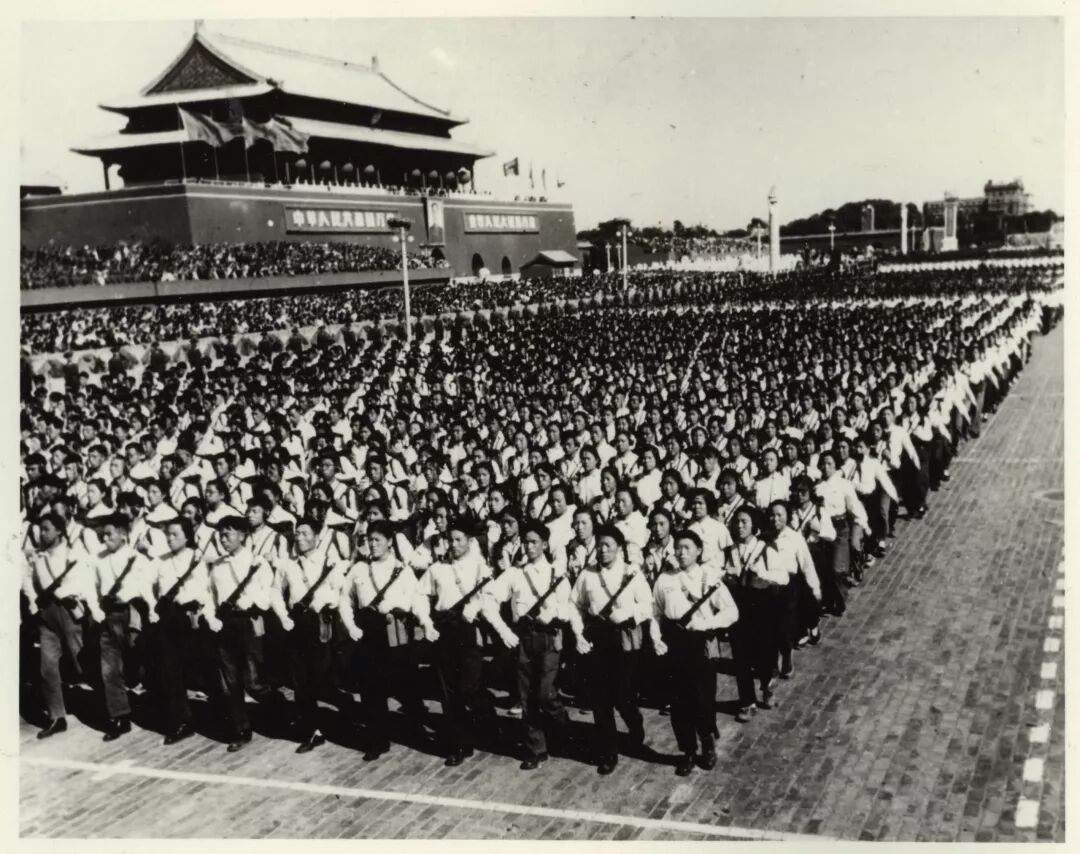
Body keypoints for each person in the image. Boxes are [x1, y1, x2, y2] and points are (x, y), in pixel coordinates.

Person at [485, 519, 590, 770]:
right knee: (526, 696)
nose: (529, 547)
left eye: (534, 542)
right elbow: (488, 599)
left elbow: (569, 609)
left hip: (549, 638)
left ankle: (564, 730)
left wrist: (554, 614)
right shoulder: (514, 574)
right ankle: (536, 748)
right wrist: (502, 630)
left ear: (544, 544)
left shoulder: (557, 574)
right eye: (526, 542)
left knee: (545, 694)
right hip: (524, 639)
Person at [339, 518, 438, 761]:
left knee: (404, 682)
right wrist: (351, 626)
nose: (372, 545)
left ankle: (416, 726)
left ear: (390, 541)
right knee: (370, 688)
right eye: (369, 540)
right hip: (368, 633)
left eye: (377, 540)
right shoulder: (359, 569)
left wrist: (422, 620)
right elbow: (345, 600)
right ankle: (377, 739)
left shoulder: (402, 570)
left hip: (395, 633)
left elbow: (416, 599)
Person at [652, 529, 738, 776]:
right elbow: (654, 612)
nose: (681, 552)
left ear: (699, 551)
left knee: (703, 698)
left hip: (700, 644)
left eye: (687, 547)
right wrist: (656, 638)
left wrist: (708, 624)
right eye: (678, 547)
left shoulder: (709, 577)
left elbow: (731, 611)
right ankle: (688, 751)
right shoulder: (664, 579)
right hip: (674, 642)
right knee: (678, 702)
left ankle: (707, 741)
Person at [572, 525, 656, 774]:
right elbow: (575, 604)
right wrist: (578, 632)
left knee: (622, 694)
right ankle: (608, 752)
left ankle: (634, 721)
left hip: (623, 639)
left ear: (619, 548)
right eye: (599, 545)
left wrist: (628, 613)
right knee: (600, 698)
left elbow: (648, 605)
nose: (603, 550)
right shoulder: (587, 574)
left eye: (608, 545)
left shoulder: (631, 573)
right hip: (597, 638)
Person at [420, 516, 500, 767]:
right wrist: (426, 621)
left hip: (468, 630)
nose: (453, 545)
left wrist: (473, 608)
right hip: (444, 629)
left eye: (458, 540)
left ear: (469, 541)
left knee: (469, 689)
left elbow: (490, 594)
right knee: (448, 691)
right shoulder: (437, 568)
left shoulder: (479, 566)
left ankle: (488, 717)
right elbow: (420, 594)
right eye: (450, 540)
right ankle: (459, 744)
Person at [201, 514, 282, 752]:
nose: (223, 539)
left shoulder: (256, 562)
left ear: (242, 535)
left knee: (253, 680)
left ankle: (278, 708)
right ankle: (241, 729)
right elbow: (209, 595)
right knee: (231, 681)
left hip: (249, 622)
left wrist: (251, 600)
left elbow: (269, 592)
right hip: (225, 624)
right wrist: (211, 617)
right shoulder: (217, 566)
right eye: (220, 535)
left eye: (228, 534)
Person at [272, 517, 352, 753]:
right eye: (297, 533)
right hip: (297, 623)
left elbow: (341, 593)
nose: (299, 538)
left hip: (322, 624)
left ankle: (344, 707)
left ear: (317, 537)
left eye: (305, 533)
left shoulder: (329, 562)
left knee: (322, 676)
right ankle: (312, 730)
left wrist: (323, 601)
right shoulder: (287, 564)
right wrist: (283, 615)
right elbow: (275, 591)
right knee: (300, 679)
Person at [144, 517, 219, 745]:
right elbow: (143, 583)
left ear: (187, 536)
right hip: (169, 617)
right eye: (167, 534)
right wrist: (152, 605)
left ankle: (218, 714)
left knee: (203, 667)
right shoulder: (160, 560)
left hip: (194, 617)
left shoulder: (197, 558)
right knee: (170, 670)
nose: (170, 539)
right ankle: (183, 721)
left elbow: (205, 590)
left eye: (175, 534)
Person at [82, 513, 154, 741]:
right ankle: (120, 716)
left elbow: (146, 588)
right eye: (102, 535)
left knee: (140, 662)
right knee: (109, 669)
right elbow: (89, 586)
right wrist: (95, 609)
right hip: (108, 616)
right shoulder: (97, 559)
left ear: (123, 534)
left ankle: (153, 704)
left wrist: (152, 611)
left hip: (132, 615)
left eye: (109, 534)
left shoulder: (137, 559)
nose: (105, 539)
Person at [22, 512, 87, 739]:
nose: (42, 534)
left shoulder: (71, 554)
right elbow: (28, 580)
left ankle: (111, 707)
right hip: (46, 614)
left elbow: (81, 581)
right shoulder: (38, 557)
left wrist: (62, 592)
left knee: (81, 662)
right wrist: (33, 602)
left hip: (67, 611)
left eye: (47, 529)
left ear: (59, 531)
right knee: (47, 667)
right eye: (40, 529)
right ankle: (57, 717)